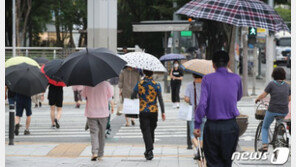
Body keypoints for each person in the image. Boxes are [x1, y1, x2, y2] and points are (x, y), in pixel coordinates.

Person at [194, 51, 242, 167]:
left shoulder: (207, 79)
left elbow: (202, 104)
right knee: (227, 162)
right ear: (229, 64)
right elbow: (238, 97)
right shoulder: (236, 78)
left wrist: (197, 124)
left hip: (212, 127)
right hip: (230, 126)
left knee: (212, 162)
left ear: (213, 65)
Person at [131, 70, 165, 160]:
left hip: (143, 111)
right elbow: (160, 99)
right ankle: (149, 150)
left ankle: (149, 150)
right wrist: (163, 112)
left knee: (145, 130)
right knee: (151, 130)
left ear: (144, 73)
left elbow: (132, 96)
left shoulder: (139, 84)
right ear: (152, 73)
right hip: (154, 111)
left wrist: (139, 97)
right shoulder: (157, 84)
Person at [255, 67, 291, 152]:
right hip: (284, 110)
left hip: (272, 109)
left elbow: (264, 95)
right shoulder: (287, 85)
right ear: (284, 75)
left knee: (265, 126)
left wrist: (257, 99)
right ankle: (280, 135)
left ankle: (264, 145)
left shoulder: (271, 84)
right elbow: (289, 98)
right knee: (280, 122)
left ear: (273, 75)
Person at [81, 81, 113, 161]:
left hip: (91, 112)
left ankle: (94, 152)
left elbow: (83, 97)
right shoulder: (106, 84)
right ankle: (100, 154)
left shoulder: (87, 84)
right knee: (102, 134)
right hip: (103, 112)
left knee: (93, 133)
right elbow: (109, 98)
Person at [184, 73, 206, 160]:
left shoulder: (190, 86)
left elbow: (187, 98)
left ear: (193, 76)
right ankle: (200, 152)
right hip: (204, 113)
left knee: (193, 135)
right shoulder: (205, 86)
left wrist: (189, 100)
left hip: (194, 113)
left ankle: (199, 149)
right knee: (202, 134)